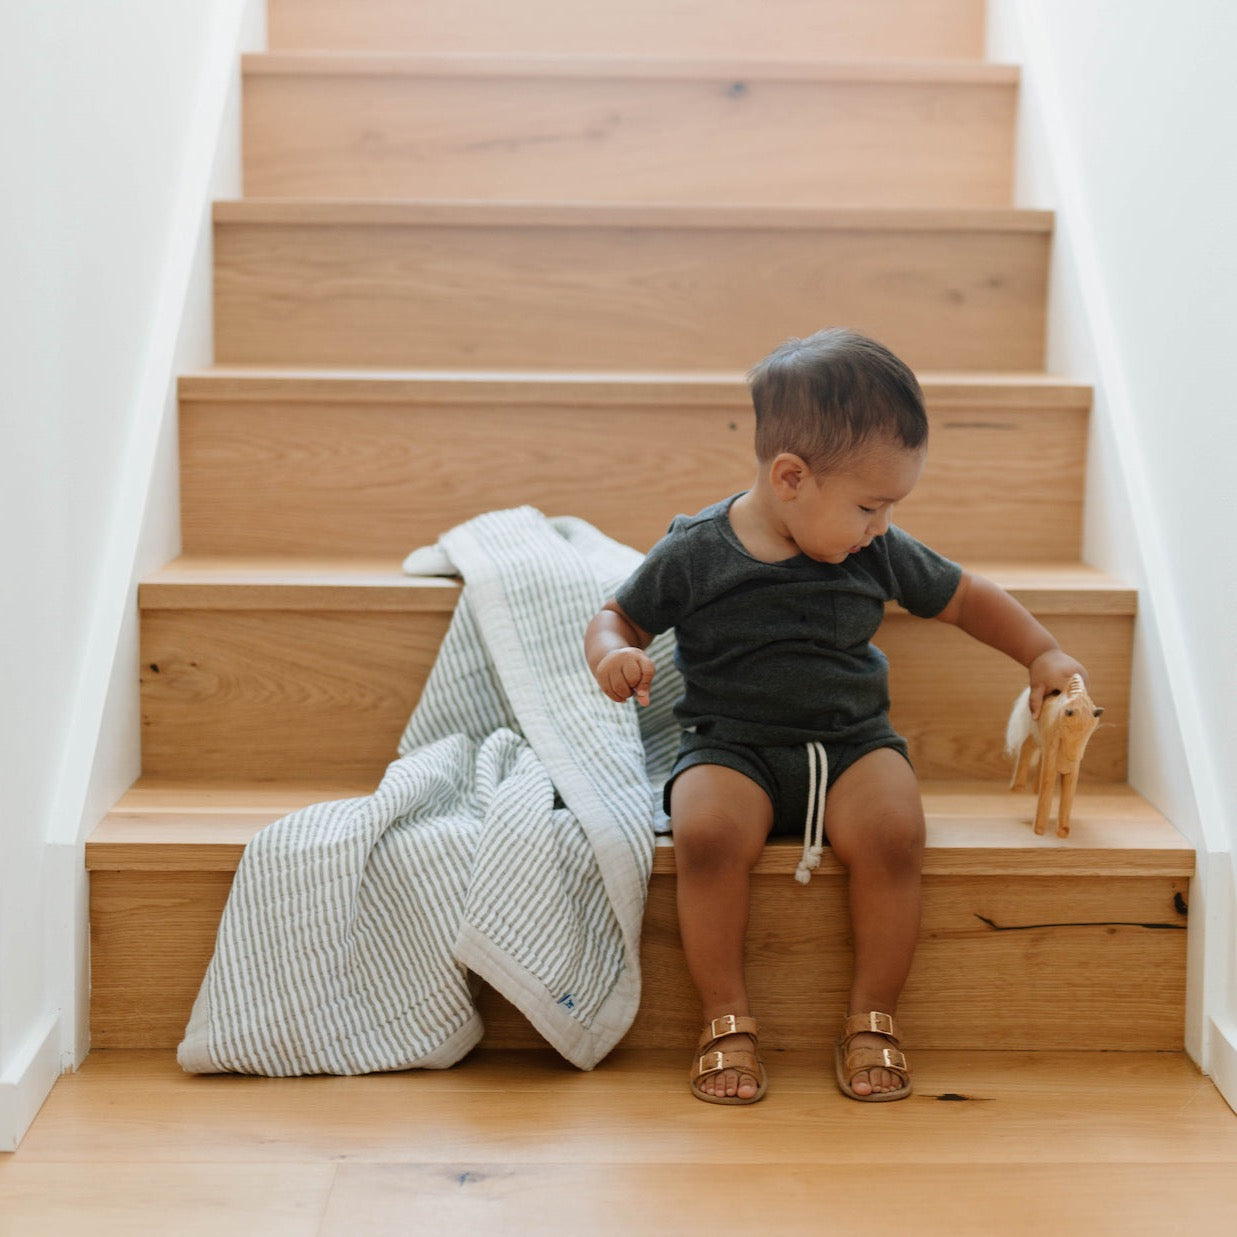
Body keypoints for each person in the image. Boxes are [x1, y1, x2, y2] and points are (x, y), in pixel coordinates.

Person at [583, 327, 1089, 1106]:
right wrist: (614, 654)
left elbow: (964, 596)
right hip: (732, 745)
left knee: (894, 832)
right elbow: (619, 615)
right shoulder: (695, 550)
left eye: (887, 507)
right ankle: (725, 1015)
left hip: (852, 743)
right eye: (868, 505)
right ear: (790, 477)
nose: (880, 525)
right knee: (706, 833)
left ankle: (871, 1014)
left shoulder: (871, 549)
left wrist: (1042, 653)